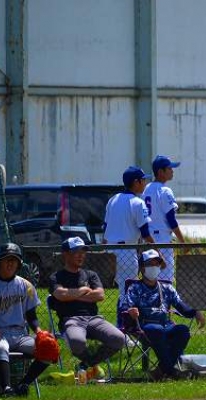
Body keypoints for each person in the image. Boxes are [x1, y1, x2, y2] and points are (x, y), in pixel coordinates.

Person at [0, 243, 50, 396]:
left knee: (48, 348)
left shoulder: (26, 286)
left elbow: (31, 316)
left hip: (21, 334)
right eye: (6, 260)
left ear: (19, 264)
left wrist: (39, 331)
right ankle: (6, 389)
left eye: (14, 260)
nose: (10, 264)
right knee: (1, 348)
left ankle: (23, 385)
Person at [49, 237, 126, 382]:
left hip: (94, 319)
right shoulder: (56, 277)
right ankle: (93, 368)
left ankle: (85, 365)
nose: (81, 255)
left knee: (119, 338)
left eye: (83, 251)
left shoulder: (90, 274)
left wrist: (72, 295)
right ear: (65, 254)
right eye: (76, 252)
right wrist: (83, 290)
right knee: (77, 342)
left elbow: (100, 295)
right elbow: (60, 295)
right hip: (71, 320)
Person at [123, 249, 206, 380]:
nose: (154, 267)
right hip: (144, 327)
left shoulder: (167, 288)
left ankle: (161, 371)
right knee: (156, 330)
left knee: (183, 330)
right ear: (142, 268)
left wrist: (195, 312)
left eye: (157, 264)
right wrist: (131, 311)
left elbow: (181, 306)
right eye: (150, 264)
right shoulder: (135, 287)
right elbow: (126, 306)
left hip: (166, 325)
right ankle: (172, 371)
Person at [103, 166, 155, 309]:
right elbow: (145, 233)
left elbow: (105, 228)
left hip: (110, 250)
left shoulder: (113, 199)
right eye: (143, 180)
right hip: (126, 251)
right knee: (129, 293)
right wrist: (158, 251)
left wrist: (104, 251)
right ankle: (124, 321)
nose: (145, 183)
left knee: (123, 292)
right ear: (136, 182)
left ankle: (122, 320)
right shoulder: (137, 202)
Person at [143, 155, 185, 281]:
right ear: (160, 172)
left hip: (148, 239)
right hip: (162, 240)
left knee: (150, 280)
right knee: (165, 280)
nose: (172, 171)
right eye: (169, 168)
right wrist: (183, 242)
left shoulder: (146, 189)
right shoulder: (164, 190)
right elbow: (171, 220)